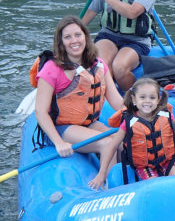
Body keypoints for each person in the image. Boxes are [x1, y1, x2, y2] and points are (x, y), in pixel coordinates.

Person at [34, 15, 124, 190]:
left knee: (120, 141)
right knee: (107, 143)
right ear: (61, 42)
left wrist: (142, 117)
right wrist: (59, 143)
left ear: (85, 37)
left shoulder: (99, 65)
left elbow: (118, 102)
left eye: (78, 35)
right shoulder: (51, 69)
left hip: (89, 123)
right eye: (67, 37)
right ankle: (112, 190)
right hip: (62, 129)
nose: (74, 41)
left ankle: (123, 181)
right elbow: (40, 112)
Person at [82, 0, 157, 92]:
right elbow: (90, 13)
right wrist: (71, 34)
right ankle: (104, 101)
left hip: (136, 41)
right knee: (101, 66)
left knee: (120, 67)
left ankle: (130, 100)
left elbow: (132, 12)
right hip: (108, 36)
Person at [101, 78, 175, 183]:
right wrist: (101, 173)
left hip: (166, 160)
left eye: (152, 97)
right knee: (153, 183)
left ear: (158, 99)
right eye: (142, 97)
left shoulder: (166, 115)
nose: (147, 101)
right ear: (134, 99)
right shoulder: (129, 122)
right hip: (144, 166)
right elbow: (112, 146)